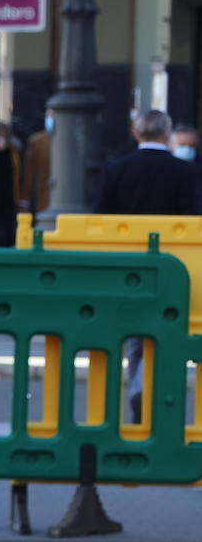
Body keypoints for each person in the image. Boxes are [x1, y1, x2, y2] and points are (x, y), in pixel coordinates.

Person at [96, 110, 196, 422]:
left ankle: (140, 383)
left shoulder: (116, 170)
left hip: (129, 266)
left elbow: (101, 219)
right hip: (176, 265)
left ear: (137, 134)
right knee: (170, 331)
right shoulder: (186, 171)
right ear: (167, 135)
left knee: (136, 334)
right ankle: (158, 395)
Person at [20, 110, 53, 218]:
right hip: (42, 198)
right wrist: (25, 201)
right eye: (49, 116)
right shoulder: (36, 141)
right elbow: (28, 174)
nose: (50, 119)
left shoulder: (72, 140)